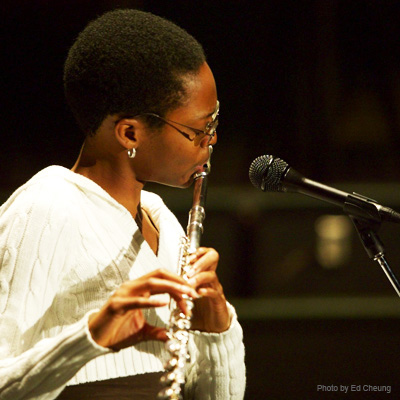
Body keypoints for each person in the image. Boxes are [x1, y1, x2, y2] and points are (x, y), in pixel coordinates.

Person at [0, 8, 246, 400]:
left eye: (215, 122)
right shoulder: (46, 207)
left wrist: (216, 328)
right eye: (199, 130)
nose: (212, 141)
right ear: (130, 133)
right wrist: (90, 338)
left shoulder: (163, 222)